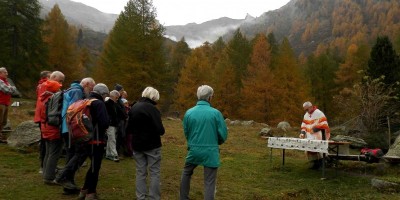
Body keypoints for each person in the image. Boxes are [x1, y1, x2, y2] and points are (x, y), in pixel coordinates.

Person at [179, 85, 228, 200]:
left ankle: (183, 197)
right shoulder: (216, 113)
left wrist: (192, 143)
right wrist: (217, 142)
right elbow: (223, 134)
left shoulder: (189, 113)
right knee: (209, 180)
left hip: (194, 149)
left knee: (186, 172)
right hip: (211, 150)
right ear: (210, 97)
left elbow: (187, 131)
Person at [66, 83, 109, 200]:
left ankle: (84, 190)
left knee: (92, 166)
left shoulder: (84, 101)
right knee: (95, 167)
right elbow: (104, 122)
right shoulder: (99, 103)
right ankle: (91, 193)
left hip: (83, 138)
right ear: (103, 93)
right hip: (96, 140)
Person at [126, 86, 165, 200]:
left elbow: (128, 129)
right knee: (154, 172)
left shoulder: (134, 107)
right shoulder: (152, 109)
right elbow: (161, 130)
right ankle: (154, 197)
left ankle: (141, 197)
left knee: (140, 172)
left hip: (137, 145)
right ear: (153, 97)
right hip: (152, 145)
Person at [38, 80, 63, 184]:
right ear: (54, 89)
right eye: (59, 87)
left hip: (45, 127)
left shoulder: (43, 98)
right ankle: (49, 177)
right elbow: (54, 116)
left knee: (48, 152)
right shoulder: (52, 100)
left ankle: (46, 173)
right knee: (54, 153)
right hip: (52, 129)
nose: (60, 89)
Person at [299, 101, 330, 169]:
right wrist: (303, 133)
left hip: (319, 135)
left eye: (307, 109)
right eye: (305, 110)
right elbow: (304, 125)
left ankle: (323, 164)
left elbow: (324, 124)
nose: (306, 111)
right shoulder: (306, 115)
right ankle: (315, 164)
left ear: (311, 107)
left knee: (319, 149)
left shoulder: (319, 113)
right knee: (310, 149)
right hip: (309, 136)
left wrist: (315, 129)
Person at [33, 70, 51, 174]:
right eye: (50, 76)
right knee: (45, 140)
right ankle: (44, 165)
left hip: (39, 115)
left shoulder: (39, 85)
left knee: (44, 140)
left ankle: (44, 164)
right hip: (44, 116)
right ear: (45, 77)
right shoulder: (45, 85)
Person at [105, 90, 122, 162]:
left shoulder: (114, 104)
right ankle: (114, 154)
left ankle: (108, 154)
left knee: (111, 139)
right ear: (113, 96)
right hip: (109, 124)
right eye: (117, 97)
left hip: (114, 124)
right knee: (112, 139)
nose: (117, 99)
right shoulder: (107, 104)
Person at [0, 67, 17, 143]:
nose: (7, 74)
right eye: (5, 72)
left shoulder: (6, 81)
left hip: (6, 103)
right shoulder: (0, 81)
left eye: (7, 72)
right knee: (0, 121)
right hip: (0, 103)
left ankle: (0, 136)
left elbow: (14, 90)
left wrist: (11, 88)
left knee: (3, 121)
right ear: (0, 73)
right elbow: (7, 90)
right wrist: (11, 88)